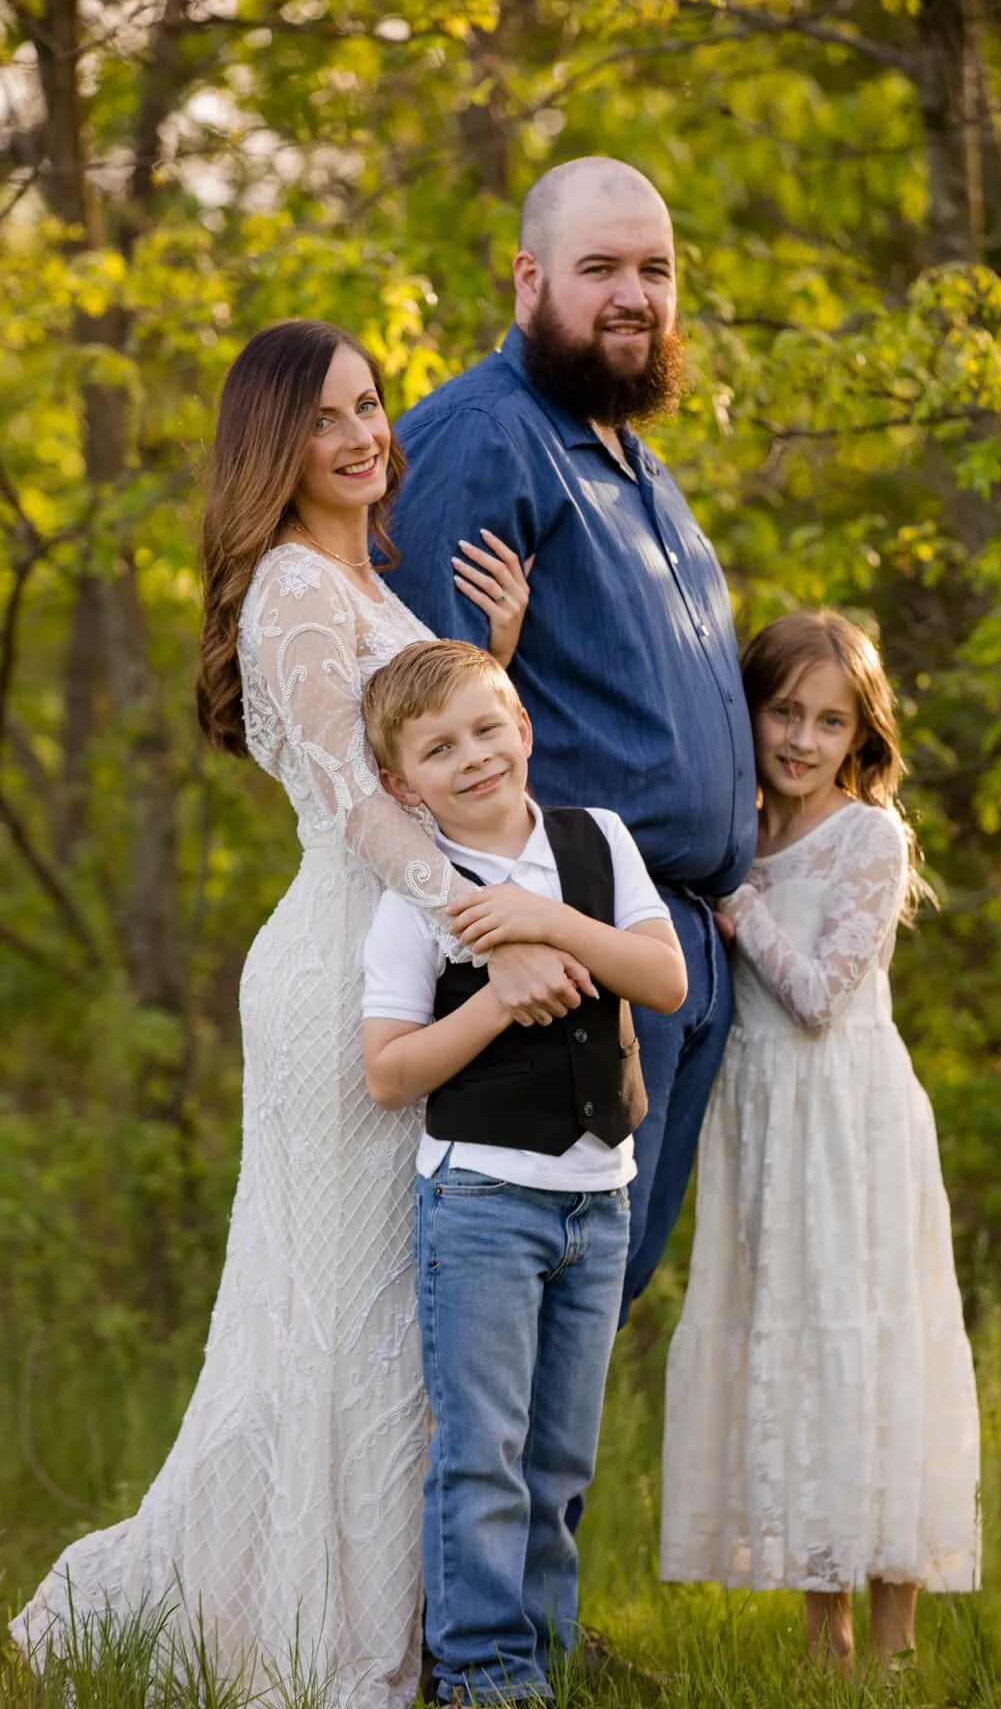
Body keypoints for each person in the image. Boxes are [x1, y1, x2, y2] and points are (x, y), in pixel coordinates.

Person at [10, 321, 585, 1706]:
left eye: (372, 403)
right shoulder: (289, 595)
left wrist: (485, 659)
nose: (362, 433)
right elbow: (368, 809)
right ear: (276, 444)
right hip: (347, 967)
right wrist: (490, 934)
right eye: (326, 416)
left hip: (415, 955)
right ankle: (310, 1640)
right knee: (338, 1313)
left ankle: (397, 1622)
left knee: (396, 1308)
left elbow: (437, 756)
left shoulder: (364, 585)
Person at [386, 156, 758, 1320]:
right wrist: (496, 944)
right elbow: (416, 731)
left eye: (656, 270)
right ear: (529, 279)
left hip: (680, 954)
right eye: (600, 269)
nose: (633, 295)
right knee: (527, 1345)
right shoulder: (483, 440)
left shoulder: (644, 471)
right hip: (566, 963)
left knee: (597, 1322)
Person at [358, 639, 686, 1706]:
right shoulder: (419, 895)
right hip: (484, 1201)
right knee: (483, 1457)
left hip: (602, 1197)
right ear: (406, 786)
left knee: (560, 1462)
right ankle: (482, 1673)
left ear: (524, 728)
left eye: (488, 728)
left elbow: (668, 979)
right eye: (440, 749)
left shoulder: (597, 843)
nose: (475, 757)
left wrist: (548, 921)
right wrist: (493, 998)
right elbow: (388, 1073)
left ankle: (544, 1651)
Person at [660, 610, 981, 1673]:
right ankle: (822, 1639)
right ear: (747, 710)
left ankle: (893, 1643)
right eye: (783, 711)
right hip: (760, 1124)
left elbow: (819, 996)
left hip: (847, 1121)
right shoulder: (739, 834)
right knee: (791, 1350)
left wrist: (735, 901)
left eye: (830, 721)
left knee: (867, 1346)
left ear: (861, 736)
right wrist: (729, 875)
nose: (801, 739)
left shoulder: (869, 838)